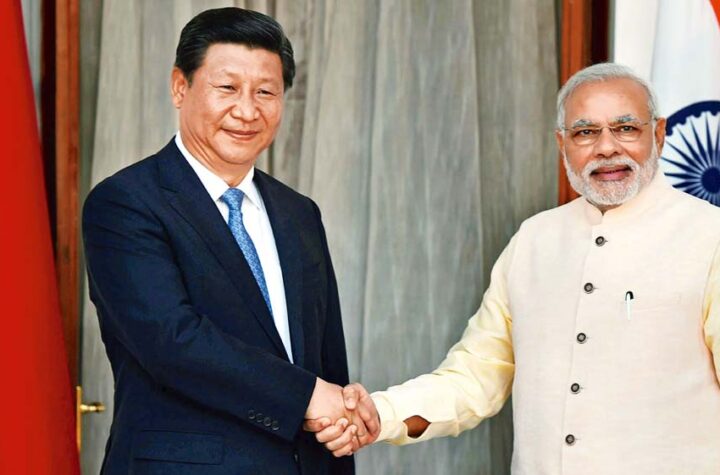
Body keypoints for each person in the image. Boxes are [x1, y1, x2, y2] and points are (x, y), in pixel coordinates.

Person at [307, 63, 720, 474]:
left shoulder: (708, 237)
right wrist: (379, 414)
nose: (607, 147)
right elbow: (475, 377)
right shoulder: (535, 240)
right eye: (585, 132)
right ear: (562, 143)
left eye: (626, 128)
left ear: (658, 134)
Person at [83, 7, 371, 474]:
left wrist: (342, 420)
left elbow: (326, 363)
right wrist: (308, 396)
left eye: (265, 92)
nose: (247, 111)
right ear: (180, 87)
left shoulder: (299, 213)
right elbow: (172, 342)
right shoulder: (126, 202)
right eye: (227, 88)